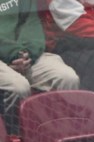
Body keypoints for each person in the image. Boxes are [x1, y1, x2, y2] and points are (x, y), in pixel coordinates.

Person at [0, 0, 78, 134]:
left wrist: (27, 53)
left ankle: (65, 137)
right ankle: (16, 137)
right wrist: (13, 54)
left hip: (23, 54)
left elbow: (32, 24)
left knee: (67, 77)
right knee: (18, 86)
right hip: (7, 55)